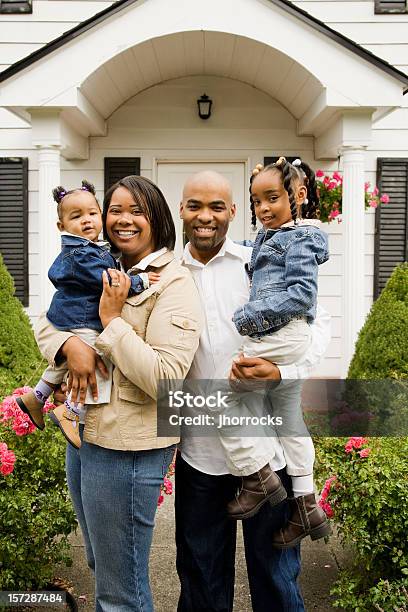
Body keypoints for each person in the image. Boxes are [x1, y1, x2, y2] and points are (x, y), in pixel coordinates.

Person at [35, 175, 203, 612]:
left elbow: (167, 379)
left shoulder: (173, 283)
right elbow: (50, 319)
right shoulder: (96, 261)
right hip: (87, 435)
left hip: (127, 448)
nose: (122, 220)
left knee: (119, 589)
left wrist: (111, 323)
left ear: (157, 218)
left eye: (136, 211)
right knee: (101, 564)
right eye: (114, 210)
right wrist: (70, 346)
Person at [176, 169, 331, 612]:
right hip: (200, 459)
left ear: (231, 213)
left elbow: (317, 328)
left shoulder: (259, 260)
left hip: (269, 457)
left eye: (217, 207)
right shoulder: (167, 275)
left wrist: (282, 373)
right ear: (182, 211)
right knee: (202, 583)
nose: (206, 216)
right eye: (195, 205)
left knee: (277, 585)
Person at [216, 157, 331, 548]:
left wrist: (249, 317)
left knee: (223, 398)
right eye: (256, 201)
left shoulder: (299, 239)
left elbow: (301, 295)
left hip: (282, 333)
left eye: (272, 198)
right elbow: (256, 256)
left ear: (298, 196)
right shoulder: (273, 236)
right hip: (285, 334)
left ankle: (258, 475)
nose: (263, 208)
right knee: (289, 419)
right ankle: (306, 503)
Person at [16, 180, 160, 449]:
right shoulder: (82, 253)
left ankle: (37, 396)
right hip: (82, 320)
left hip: (70, 317)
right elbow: (109, 281)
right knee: (98, 360)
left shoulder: (93, 249)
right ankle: (70, 411)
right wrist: (141, 282)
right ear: (61, 226)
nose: (86, 221)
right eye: (76, 216)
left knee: (60, 365)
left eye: (92, 214)